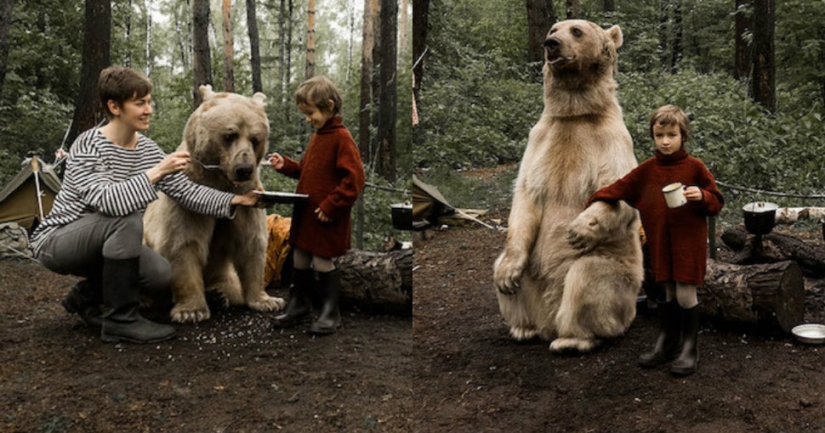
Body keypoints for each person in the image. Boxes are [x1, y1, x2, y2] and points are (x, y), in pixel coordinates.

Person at [30, 66, 262, 344]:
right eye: (139, 103)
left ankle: (88, 296)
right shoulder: (88, 145)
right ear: (114, 107)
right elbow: (107, 202)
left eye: (149, 102)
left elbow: (185, 192)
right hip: (60, 240)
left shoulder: (148, 149)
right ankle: (120, 321)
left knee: (161, 273)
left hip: (109, 241)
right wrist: (156, 172)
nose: (148, 110)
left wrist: (235, 200)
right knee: (126, 218)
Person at [585, 104, 724, 376]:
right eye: (659, 136)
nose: (665, 141)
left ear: (683, 135)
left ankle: (690, 348)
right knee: (668, 292)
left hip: (687, 244)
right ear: (653, 137)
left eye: (672, 135)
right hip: (661, 243)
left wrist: (702, 196)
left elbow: (717, 201)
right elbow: (618, 188)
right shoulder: (647, 170)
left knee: (685, 292)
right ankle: (667, 342)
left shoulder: (695, 168)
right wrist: (593, 202)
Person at [267, 75, 366, 335]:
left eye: (311, 113)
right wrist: (286, 165)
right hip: (307, 214)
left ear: (329, 106)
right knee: (299, 256)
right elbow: (309, 172)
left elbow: (354, 179)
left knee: (322, 261)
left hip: (327, 217)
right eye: (305, 114)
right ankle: (299, 305)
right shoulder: (319, 136)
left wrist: (332, 205)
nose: (308, 119)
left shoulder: (341, 138)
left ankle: (330, 312)